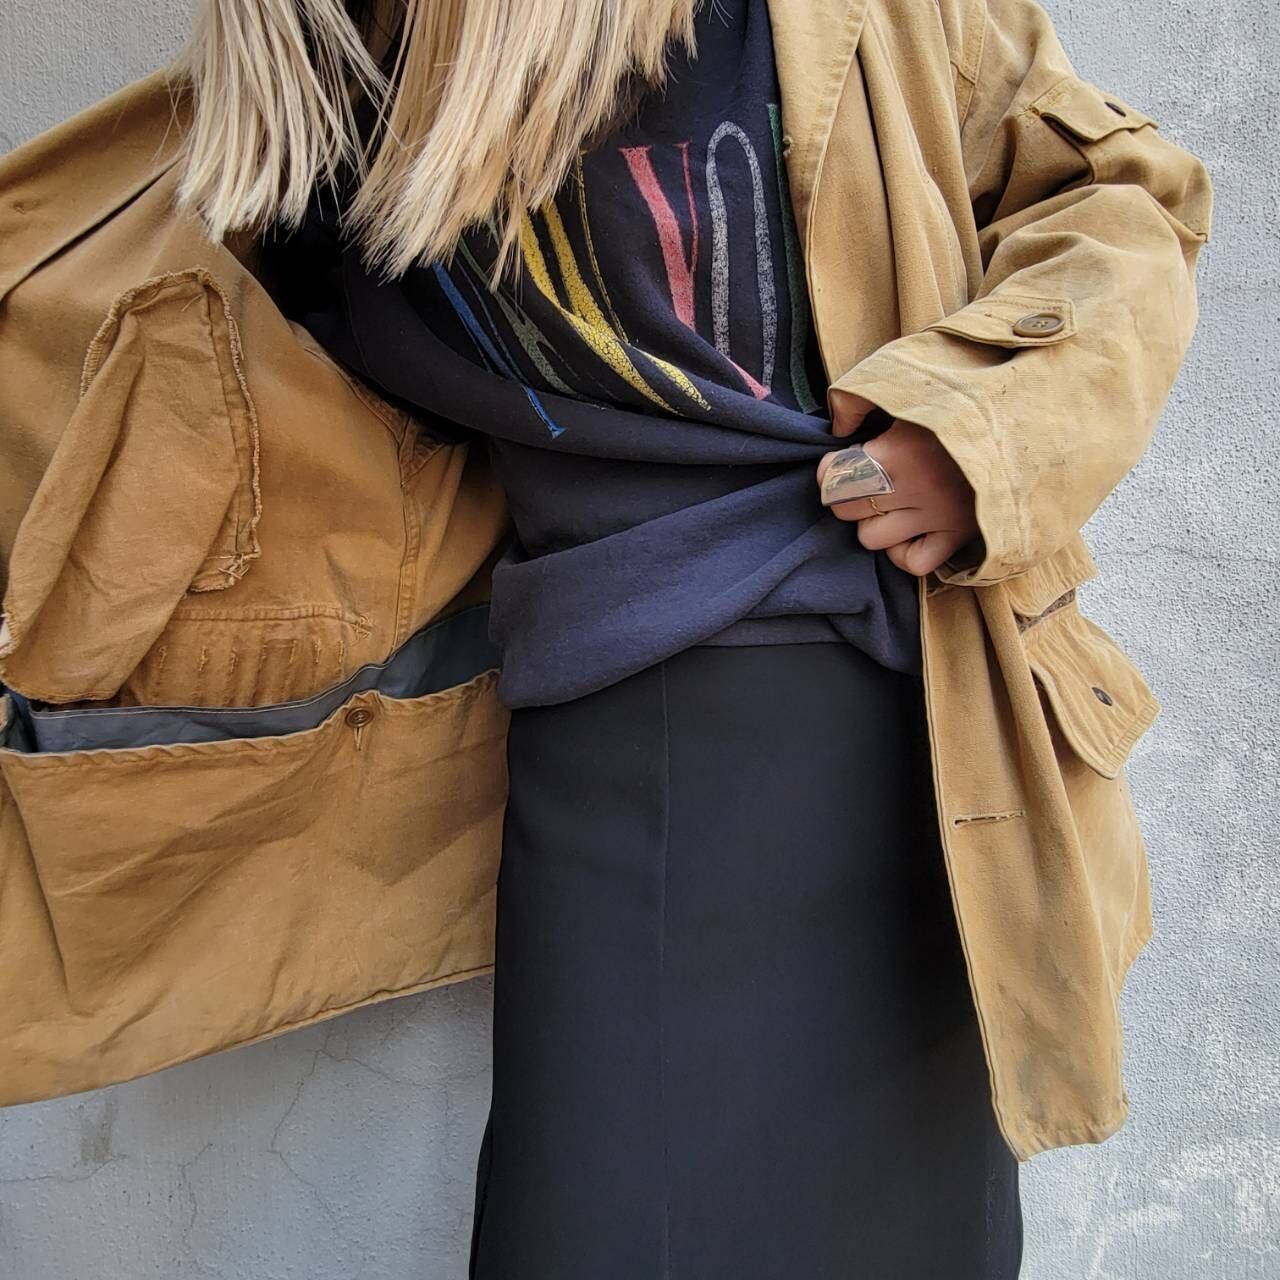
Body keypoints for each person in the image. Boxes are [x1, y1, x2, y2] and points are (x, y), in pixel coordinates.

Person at [0, 0, 1203, 1274]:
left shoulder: (840, 18)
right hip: (607, 727)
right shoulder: (321, 78)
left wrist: (984, 434)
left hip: (921, 735)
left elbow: (1122, 198)